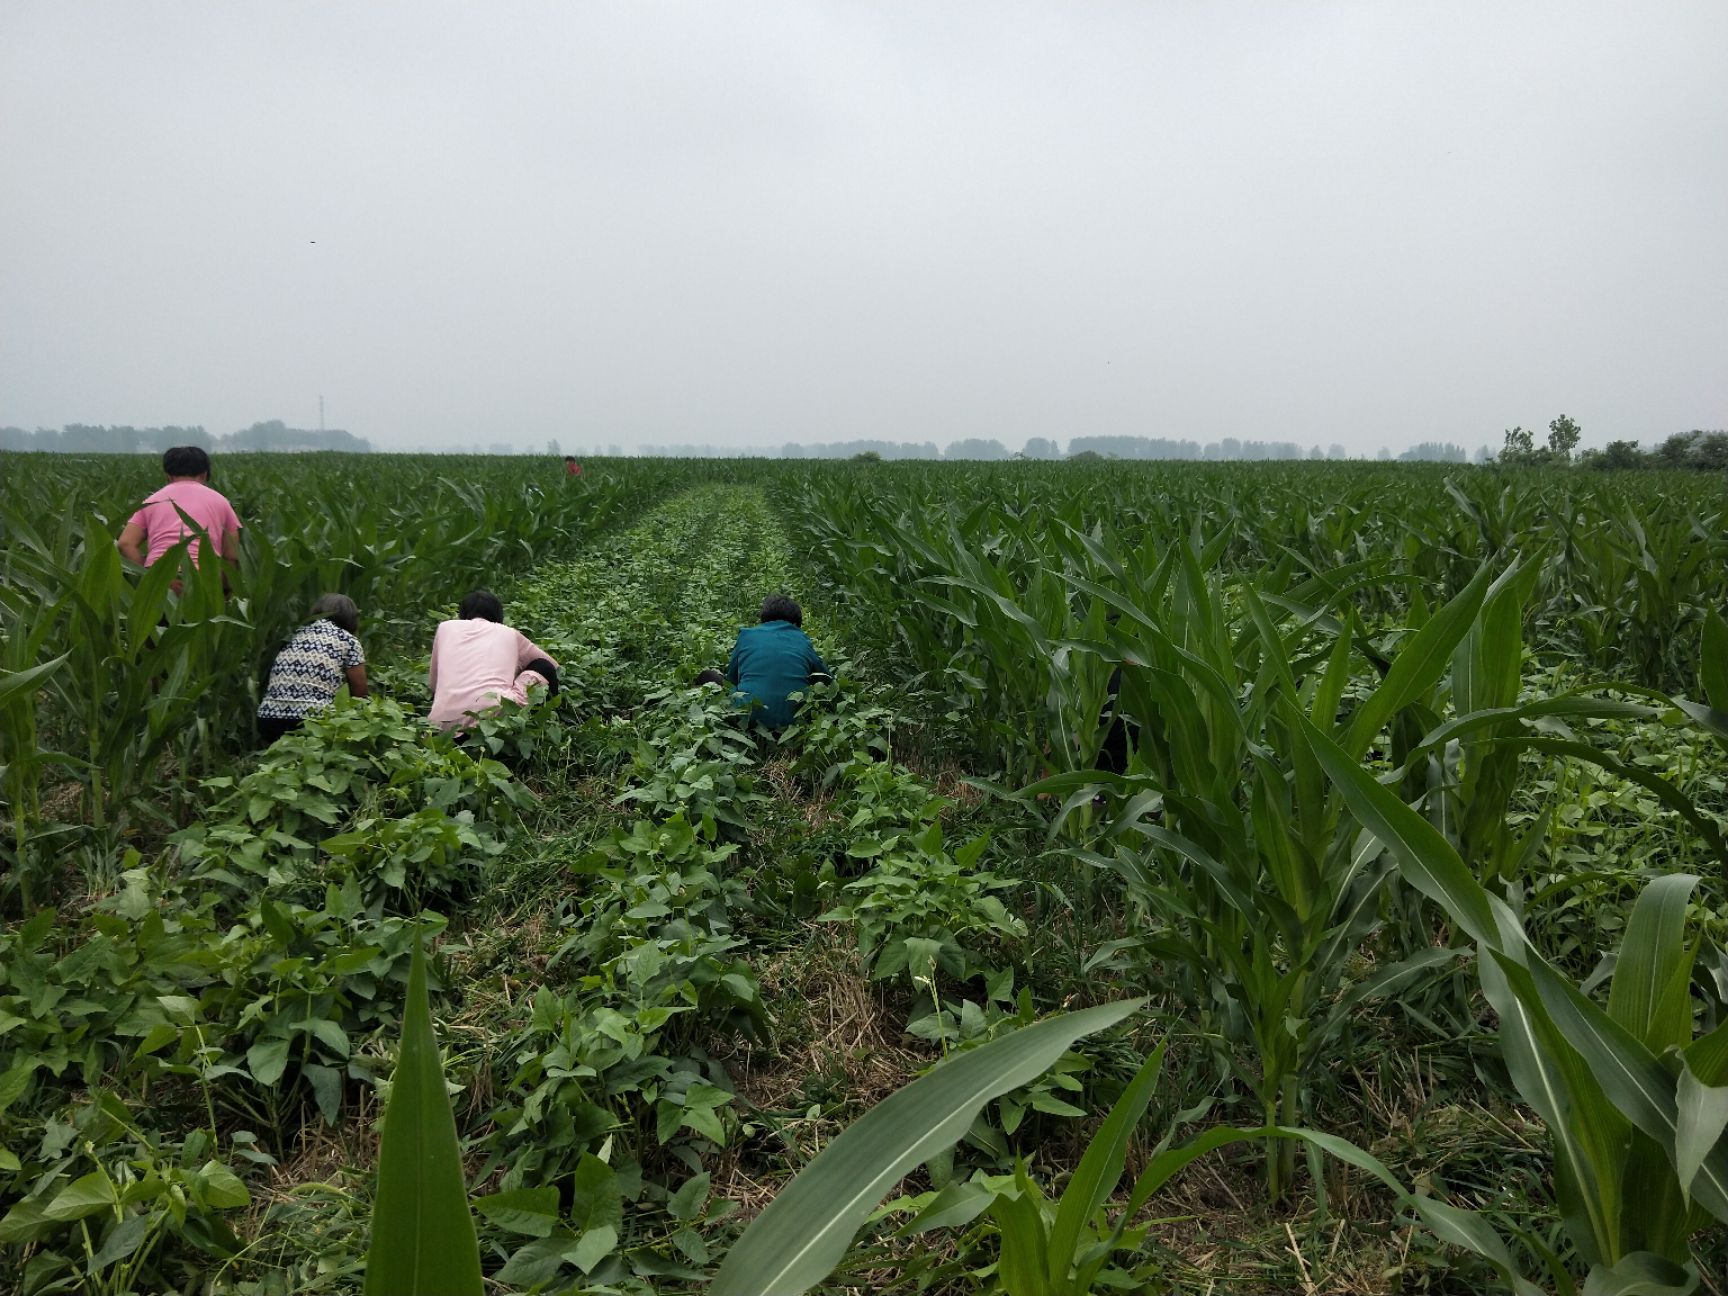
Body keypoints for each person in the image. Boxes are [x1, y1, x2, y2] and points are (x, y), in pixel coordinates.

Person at [428, 589, 559, 729]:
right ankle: (553, 720)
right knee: (543, 666)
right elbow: (550, 664)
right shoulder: (508, 633)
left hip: (441, 726)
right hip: (493, 719)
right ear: (498, 613)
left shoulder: (445, 628)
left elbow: (434, 684)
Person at [257, 594, 369, 743]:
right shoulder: (348, 640)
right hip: (313, 721)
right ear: (350, 617)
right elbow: (359, 692)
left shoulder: (293, 635)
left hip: (268, 719)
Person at [117, 445, 242, 570]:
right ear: (205, 474)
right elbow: (231, 555)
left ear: (168, 475)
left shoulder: (152, 501)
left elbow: (125, 543)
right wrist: (225, 587)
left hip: (161, 574)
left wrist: (147, 577)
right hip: (204, 573)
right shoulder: (220, 501)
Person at [724, 594, 829, 729]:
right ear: (796, 624)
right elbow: (827, 681)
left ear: (763, 620)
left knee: (710, 677)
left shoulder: (747, 635)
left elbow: (731, 680)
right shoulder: (802, 639)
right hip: (794, 721)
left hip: (747, 716)